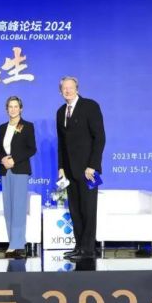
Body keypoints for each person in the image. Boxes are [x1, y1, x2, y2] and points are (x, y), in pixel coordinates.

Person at [56, 76, 106, 261]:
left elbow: (99, 138)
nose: (68, 91)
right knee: (75, 210)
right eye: (64, 88)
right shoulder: (61, 111)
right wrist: (61, 167)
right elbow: (61, 143)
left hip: (87, 171)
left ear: (77, 88)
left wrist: (92, 165)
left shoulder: (90, 106)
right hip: (69, 171)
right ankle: (79, 247)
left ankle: (88, 249)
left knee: (88, 209)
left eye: (71, 87)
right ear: (60, 91)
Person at [0, 96, 37, 259]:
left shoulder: (26, 126)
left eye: (16, 106)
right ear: (6, 109)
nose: (13, 109)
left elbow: (31, 149)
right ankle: (12, 243)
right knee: (8, 208)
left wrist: (15, 159)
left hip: (19, 169)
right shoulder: (2, 127)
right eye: (10, 107)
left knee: (19, 207)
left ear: (21, 109)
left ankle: (18, 245)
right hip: (6, 170)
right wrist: (3, 159)